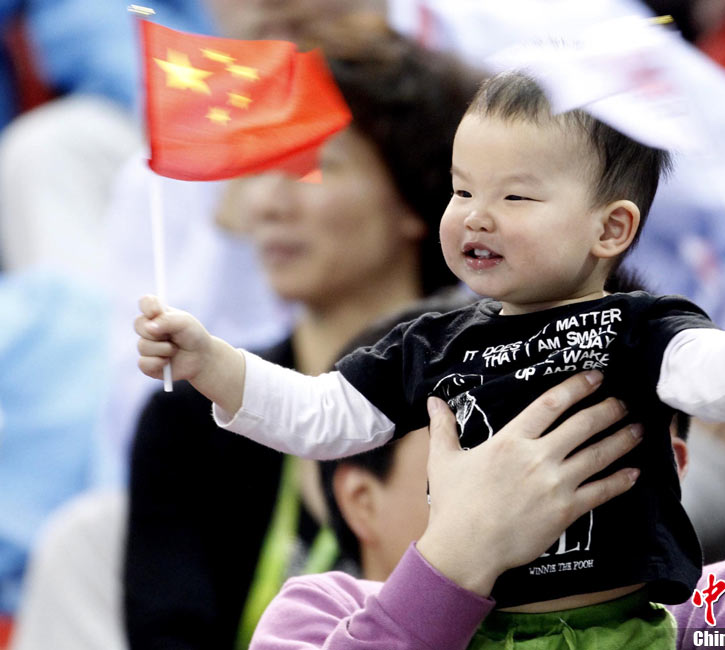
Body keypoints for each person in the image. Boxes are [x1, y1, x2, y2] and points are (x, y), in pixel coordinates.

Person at [136, 64, 725, 626]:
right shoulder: (431, 343)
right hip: (470, 630)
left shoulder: (641, 326)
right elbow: (322, 415)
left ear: (610, 229)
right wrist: (211, 362)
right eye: (462, 190)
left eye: (515, 196)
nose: (476, 215)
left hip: (620, 632)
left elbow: (714, 380)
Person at [124, 23, 480, 650]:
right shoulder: (188, 417)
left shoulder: (493, 392)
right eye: (262, 165)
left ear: (417, 199)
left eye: (311, 167)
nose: (267, 204)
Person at [247, 370, 725, 650]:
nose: (538, 486)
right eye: (492, 453)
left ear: (671, 471)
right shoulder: (319, 616)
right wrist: (457, 557)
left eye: (583, 449)